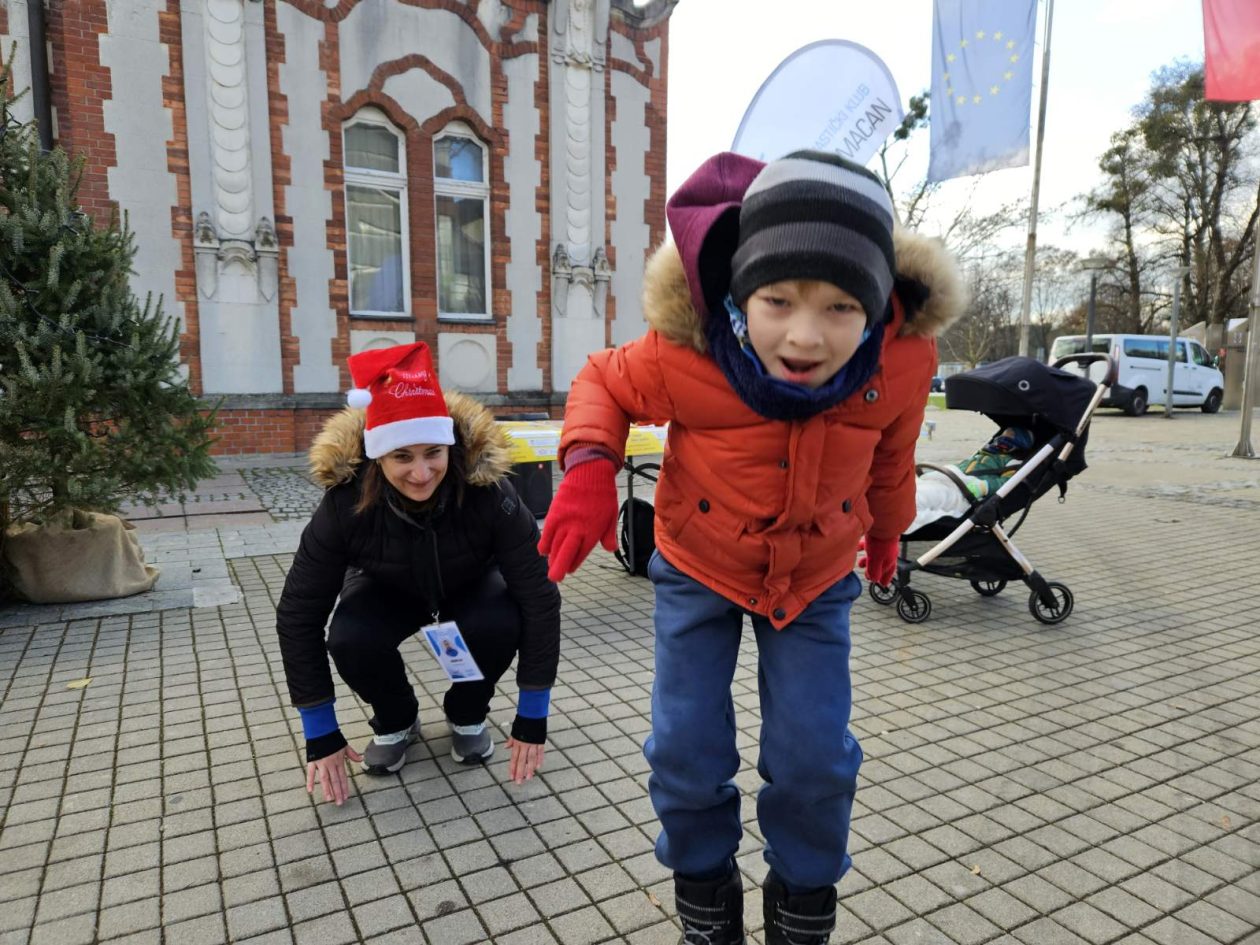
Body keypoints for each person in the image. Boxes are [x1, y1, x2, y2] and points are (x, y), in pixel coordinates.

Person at [537, 151, 963, 945]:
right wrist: (590, 466)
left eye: (841, 307)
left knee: (814, 758)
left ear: (876, 308)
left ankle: (802, 903)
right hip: (699, 564)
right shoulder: (689, 350)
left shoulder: (903, 362)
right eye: (777, 300)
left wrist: (885, 527)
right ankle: (704, 885)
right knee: (686, 748)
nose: (805, 336)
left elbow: (893, 452)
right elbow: (602, 380)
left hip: (816, 573)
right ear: (740, 294)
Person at [276, 341, 559, 806]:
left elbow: (541, 598)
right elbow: (297, 615)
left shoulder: (490, 493)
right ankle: (396, 718)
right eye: (402, 457)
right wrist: (320, 731)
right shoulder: (344, 505)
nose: (422, 472)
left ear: (449, 445)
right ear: (377, 457)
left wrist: (533, 715)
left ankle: (467, 713)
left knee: (501, 621)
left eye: (433, 452)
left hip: (468, 584)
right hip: (387, 587)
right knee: (349, 636)